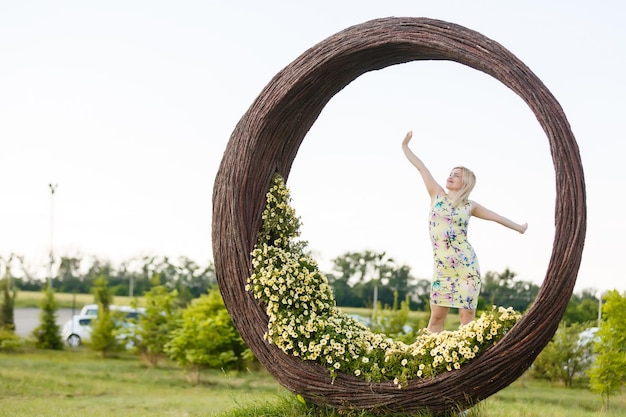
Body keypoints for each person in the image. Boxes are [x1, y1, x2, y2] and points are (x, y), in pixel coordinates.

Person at [401, 131, 528, 333]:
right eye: (450, 173)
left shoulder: (469, 206)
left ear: (465, 183)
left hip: (466, 266)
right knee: (435, 319)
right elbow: (421, 167)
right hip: (442, 267)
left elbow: (497, 217)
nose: (450, 176)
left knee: (466, 318)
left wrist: (520, 228)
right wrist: (405, 147)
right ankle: (429, 361)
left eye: (456, 175)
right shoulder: (437, 195)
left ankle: (467, 363)